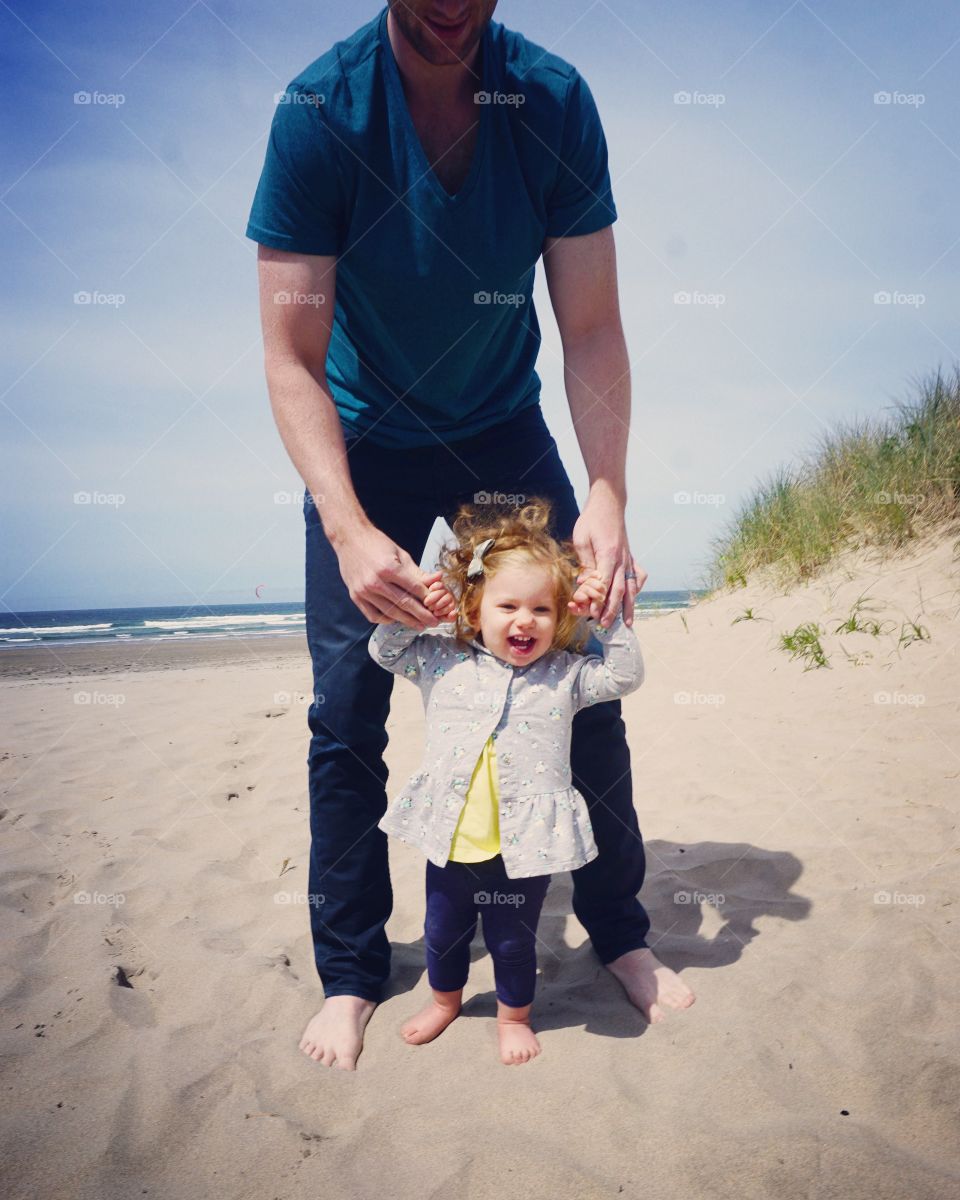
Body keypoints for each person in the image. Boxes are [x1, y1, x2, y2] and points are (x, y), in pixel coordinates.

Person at [246, 0, 695, 1070]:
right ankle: (354, 974)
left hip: (501, 425)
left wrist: (608, 492)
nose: (452, 9)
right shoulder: (319, 113)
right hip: (366, 441)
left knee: (576, 669)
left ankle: (622, 934)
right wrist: (349, 527)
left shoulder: (551, 99)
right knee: (348, 709)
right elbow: (290, 355)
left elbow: (589, 324)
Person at [369, 499, 645, 1063]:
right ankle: (445, 1002)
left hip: (525, 848)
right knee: (441, 935)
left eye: (542, 609)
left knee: (514, 942)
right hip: (450, 841)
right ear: (475, 608)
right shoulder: (442, 661)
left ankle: (513, 1017)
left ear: (561, 617)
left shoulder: (566, 676)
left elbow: (625, 674)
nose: (526, 620)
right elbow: (383, 650)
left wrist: (606, 620)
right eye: (508, 605)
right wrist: (422, 609)